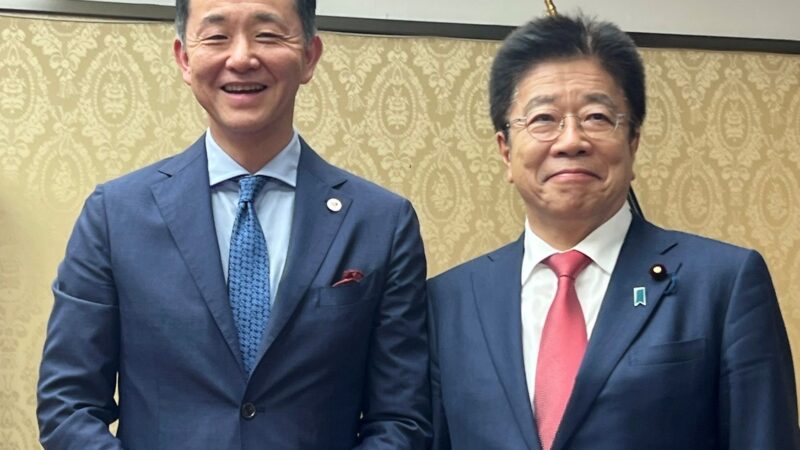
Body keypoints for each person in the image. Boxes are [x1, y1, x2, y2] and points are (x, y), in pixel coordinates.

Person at [36, 0, 430, 448]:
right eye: (217, 36)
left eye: (267, 35)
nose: (241, 58)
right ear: (185, 58)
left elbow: (401, 419)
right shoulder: (114, 214)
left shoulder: (381, 221)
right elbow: (68, 406)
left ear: (309, 56)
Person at [428, 14, 800, 450]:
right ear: (506, 150)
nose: (571, 141)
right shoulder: (448, 301)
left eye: (597, 117)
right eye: (543, 118)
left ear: (633, 142)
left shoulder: (723, 282)